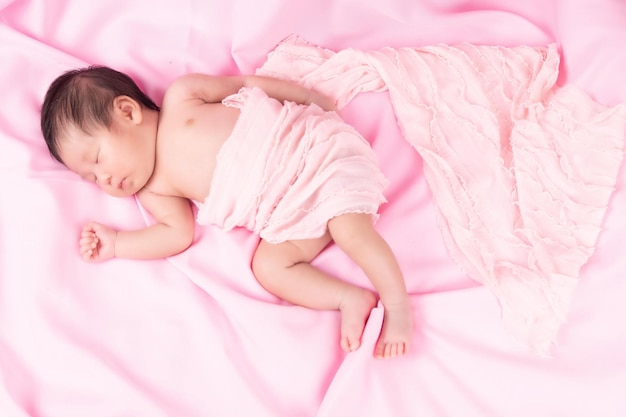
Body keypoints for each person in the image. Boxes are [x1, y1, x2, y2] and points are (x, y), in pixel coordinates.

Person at [40, 66, 413, 359]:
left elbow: (248, 82)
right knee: (268, 268)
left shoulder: (182, 97)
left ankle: (397, 306)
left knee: (350, 232)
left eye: (98, 159)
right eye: (90, 178)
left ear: (127, 111)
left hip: (315, 156)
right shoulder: (156, 190)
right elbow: (175, 235)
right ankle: (348, 298)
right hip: (290, 213)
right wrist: (118, 243)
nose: (103, 179)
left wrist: (311, 97)